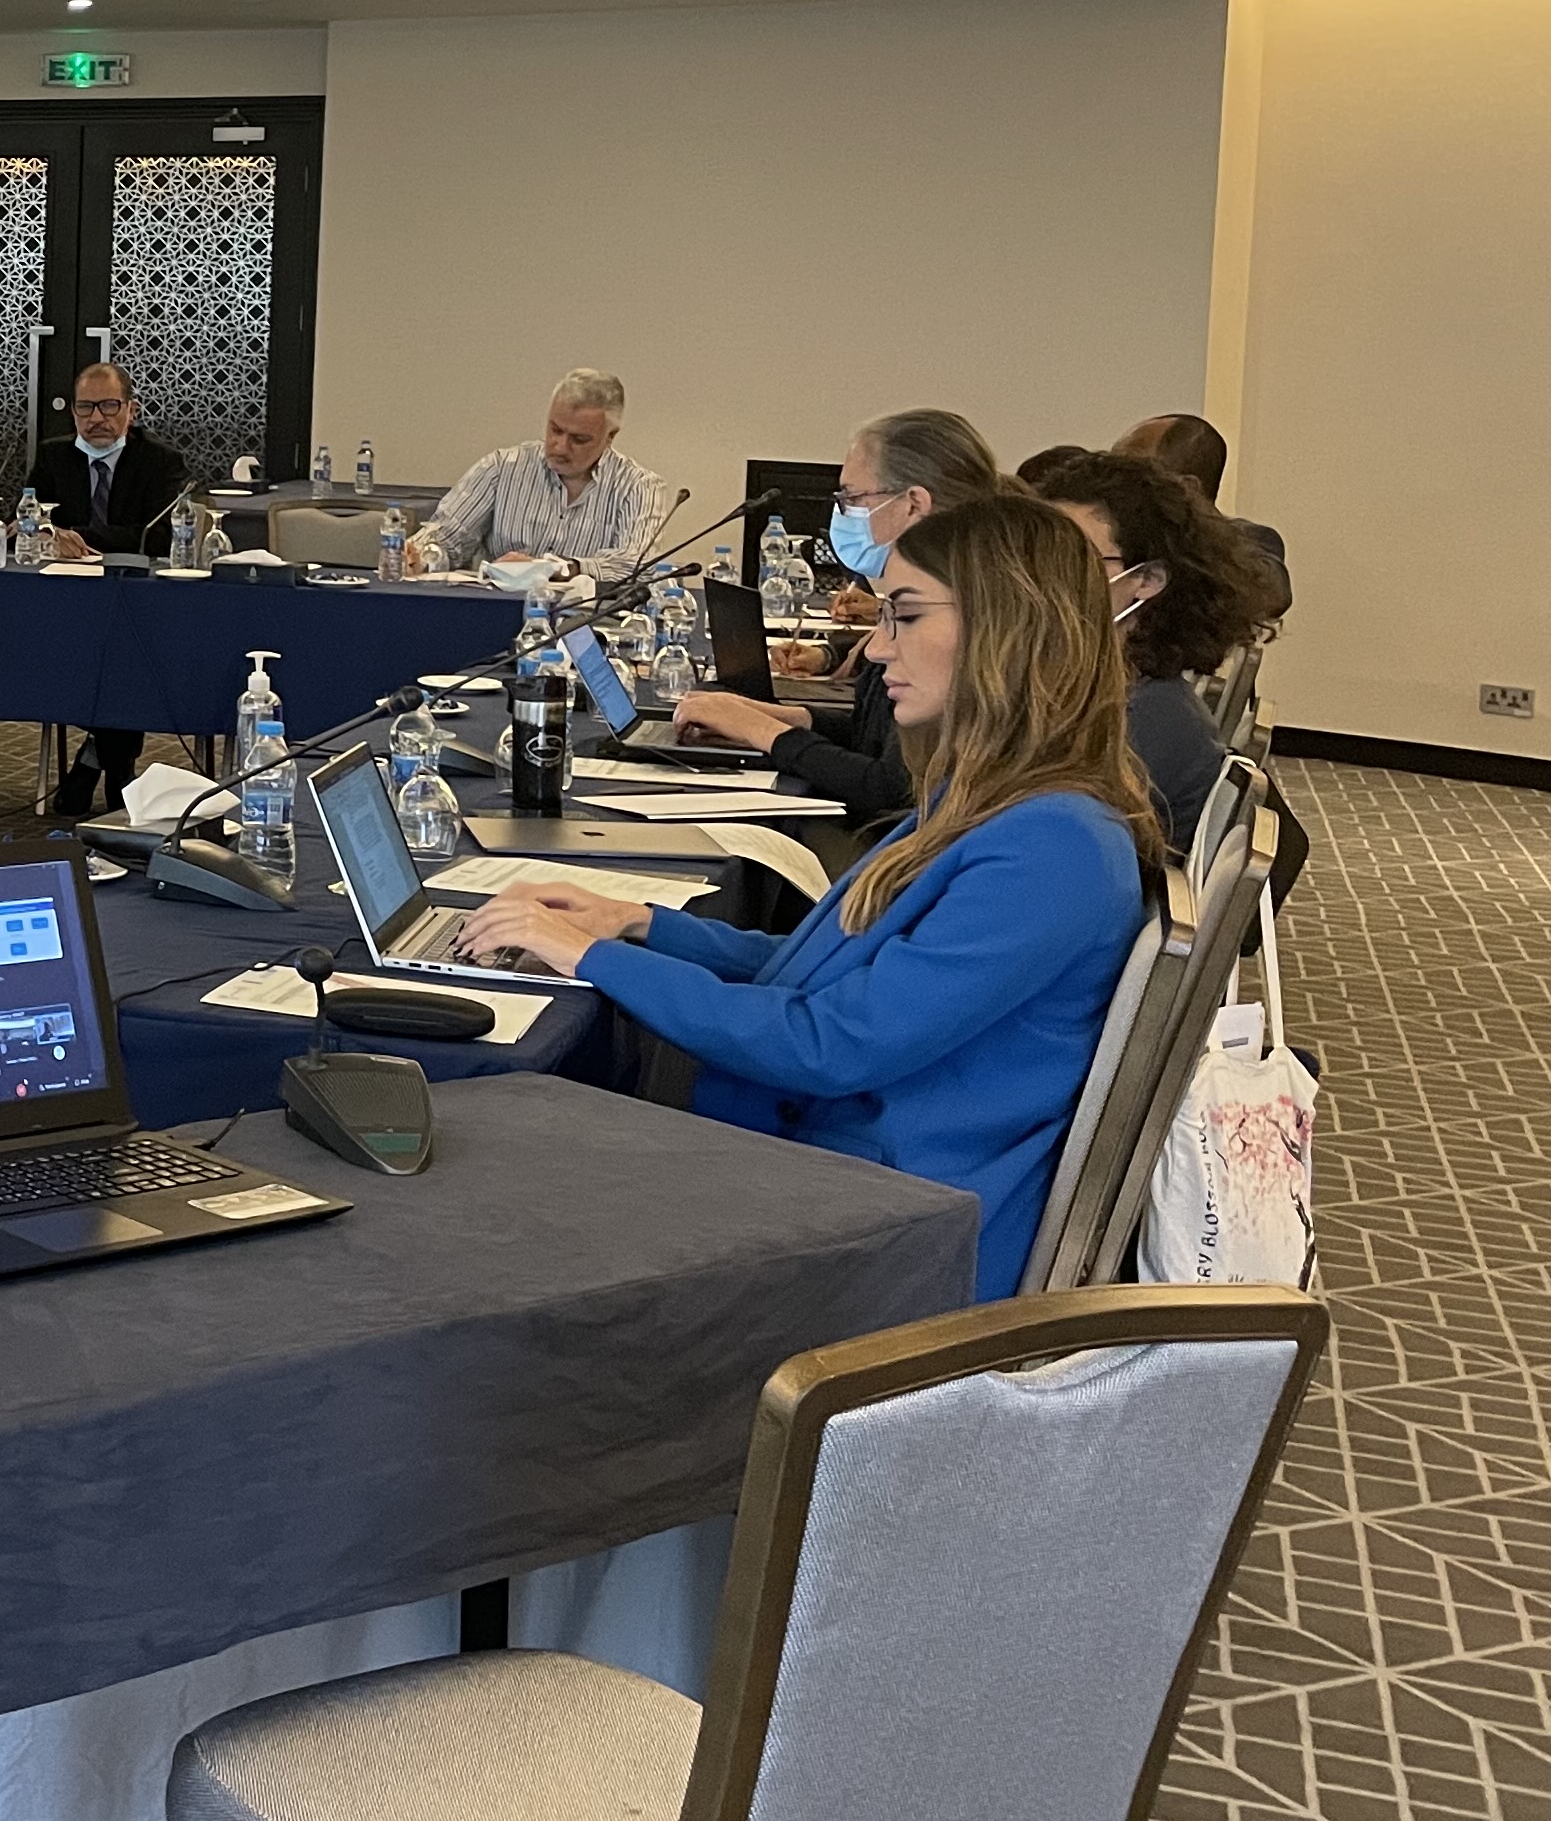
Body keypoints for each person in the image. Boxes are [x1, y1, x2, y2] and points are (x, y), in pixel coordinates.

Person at [459, 493, 1160, 1298]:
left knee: (507, 1179)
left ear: (1007, 626)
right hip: (855, 1172)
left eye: (904, 617)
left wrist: (593, 960)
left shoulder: (1053, 846)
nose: (873, 647)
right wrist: (640, 926)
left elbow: (829, 1042)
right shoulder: (1000, 801)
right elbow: (831, 968)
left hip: (886, 1223)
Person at [672, 406, 1003, 823]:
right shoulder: (926, 599)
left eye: (851, 498)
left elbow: (891, 787)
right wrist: (775, 717)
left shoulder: (959, 616)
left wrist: (765, 733)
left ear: (913, 504)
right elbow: (876, 737)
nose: (842, 513)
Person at [1018, 446, 1274, 850]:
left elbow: (1038, 846)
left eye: (1073, 557)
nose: (1040, 576)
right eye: (1035, 553)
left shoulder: (1143, 720)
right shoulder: (1097, 687)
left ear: (1147, 579)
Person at [30, 360, 192, 815]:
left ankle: (92, 761)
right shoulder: (52, 456)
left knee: (126, 653)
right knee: (106, 657)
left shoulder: (161, 461)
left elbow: (158, 536)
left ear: (131, 410)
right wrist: (47, 534)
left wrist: (78, 536)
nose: (96, 418)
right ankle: (116, 769)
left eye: (108, 406)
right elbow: (28, 519)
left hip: (139, 597)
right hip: (67, 601)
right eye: (85, 407)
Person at [411, 370, 665, 581]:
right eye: (555, 430)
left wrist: (556, 568)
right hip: (499, 615)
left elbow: (636, 567)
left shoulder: (639, 487)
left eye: (579, 439)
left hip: (588, 625)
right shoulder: (503, 467)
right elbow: (448, 536)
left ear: (610, 437)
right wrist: (420, 556)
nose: (560, 446)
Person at [1111, 411, 1291, 620]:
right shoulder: (1106, 536)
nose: (1114, 480)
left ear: (1186, 488)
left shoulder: (1249, 540)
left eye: (1131, 470)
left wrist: (1187, 529)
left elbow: (1270, 594)